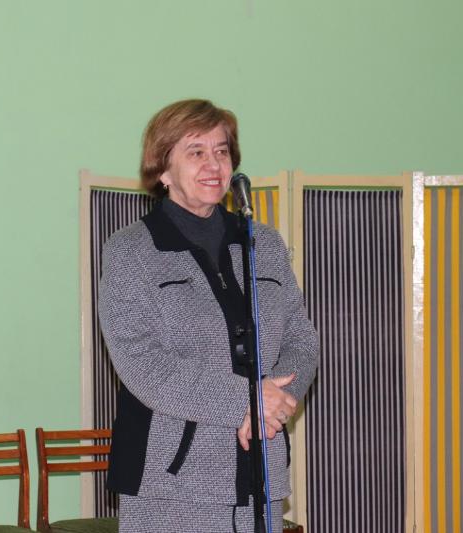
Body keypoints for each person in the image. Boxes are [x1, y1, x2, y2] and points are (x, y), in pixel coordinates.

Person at [98, 99, 319, 533]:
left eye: (221, 151)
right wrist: (248, 400)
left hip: (261, 468)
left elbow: (301, 338)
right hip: (171, 483)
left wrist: (273, 405)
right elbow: (143, 363)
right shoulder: (130, 251)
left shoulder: (263, 244)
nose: (213, 164)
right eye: (195, 152)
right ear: (162, 169)